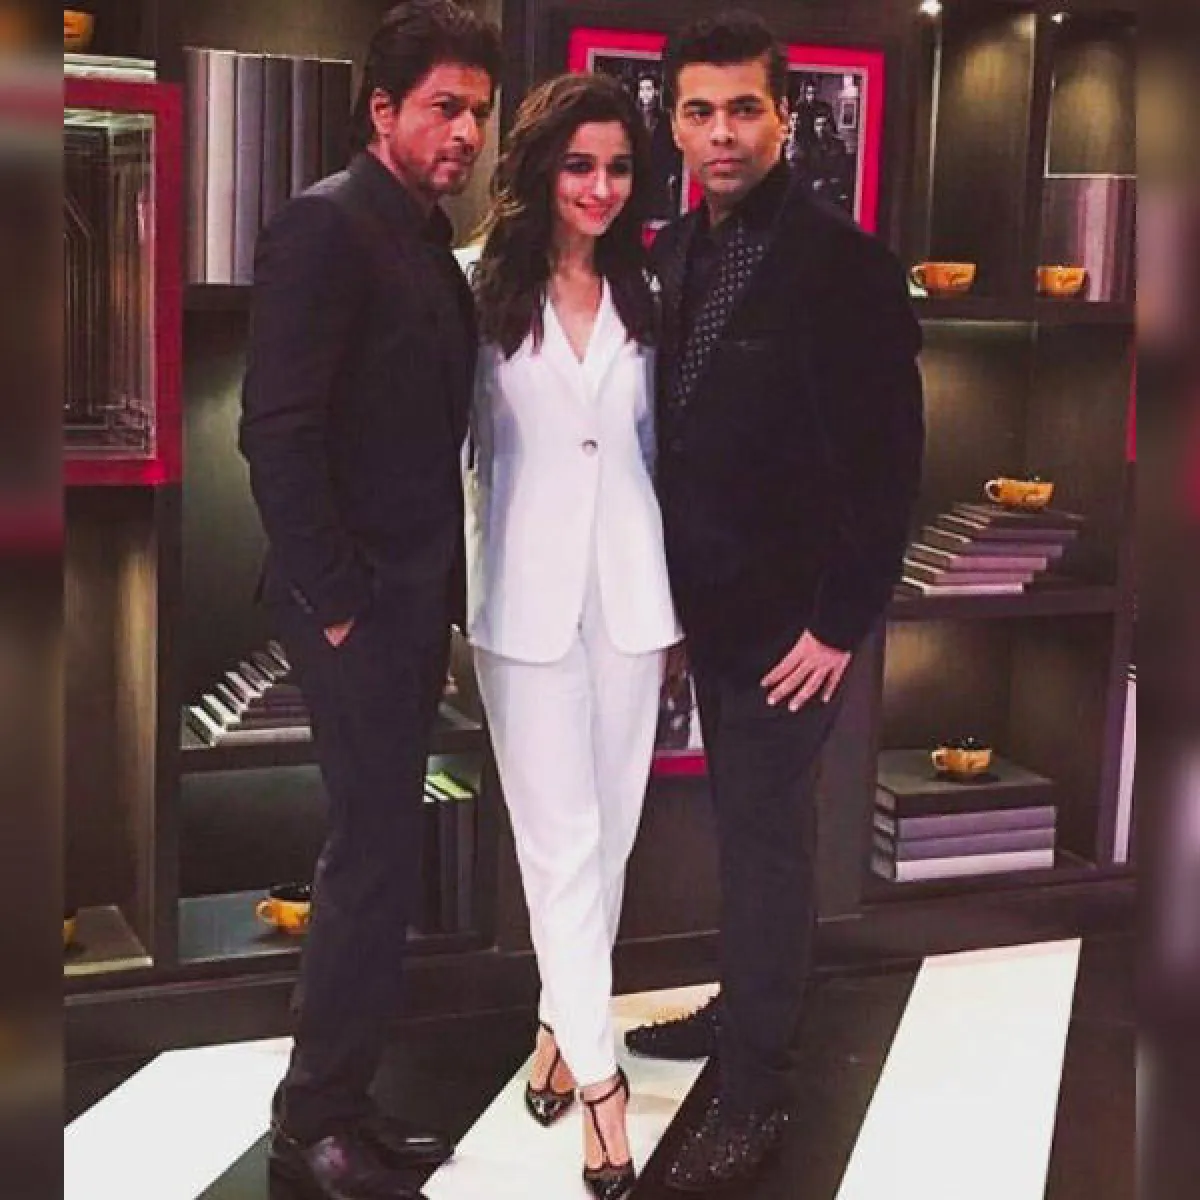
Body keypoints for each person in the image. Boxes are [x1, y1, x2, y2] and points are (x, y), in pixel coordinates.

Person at [623, 12, 924, 1193]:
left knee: (765, 844)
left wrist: (841, 623)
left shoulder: (846, 264)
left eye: (743, 108)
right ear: (672, 122)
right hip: (698, 609)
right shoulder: (671, 251)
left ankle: (755, 1090)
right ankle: (744, 1008)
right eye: (698, 111)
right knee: (739, 835)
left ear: (785, 116)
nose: (721, 132)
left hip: (794, 626)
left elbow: (890, 462)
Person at [238, 4, 500, 1198]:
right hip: (353, 605)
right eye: (445, 107)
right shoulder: (327, 226)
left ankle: (343, 1099)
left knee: (383, 855)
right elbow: (275, 431)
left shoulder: (423, 239)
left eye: (480, 112)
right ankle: (314, 1123)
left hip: (403, 602)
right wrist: (341, 601)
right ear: (383, 109)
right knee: (369, 857)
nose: (467, 132)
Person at [467, 72, 680, 1200]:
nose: (599, 187)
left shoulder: (652, 291)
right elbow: (448, 452)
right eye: (579, 165)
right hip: (522, 601)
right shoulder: (476, 288)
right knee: (558, 846)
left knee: (612, 839)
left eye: (618, 167)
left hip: (636, 599)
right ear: (542, 167)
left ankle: (559, 1028)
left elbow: (660, 454)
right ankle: (601, 1083)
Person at [634, 70, 684, 220]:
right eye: (642, 89)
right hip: (637, 173)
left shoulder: (665, 120)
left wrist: (672, 173)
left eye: (648, 89)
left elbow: (674, 148)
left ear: (656, 92)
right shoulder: (632, 117)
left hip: (659, 175)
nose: (645, 94)